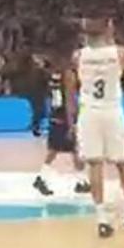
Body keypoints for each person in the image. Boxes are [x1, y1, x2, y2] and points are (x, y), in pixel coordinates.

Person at [74, 18, 124, 239]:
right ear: (107, 31)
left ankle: (102, 219)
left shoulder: (78, 56)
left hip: (90, 112)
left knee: (95, 165)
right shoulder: (119, 53)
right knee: (122, 162)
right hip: (112, 111)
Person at [33, 49, 90, 196]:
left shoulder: (54, 74)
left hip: (55, 114)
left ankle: (81, 181)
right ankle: (42, 178)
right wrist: (72, 123)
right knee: (67, 149)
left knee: (70, 150)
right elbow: (70, 100)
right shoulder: (69, 75)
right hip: (64, 116)